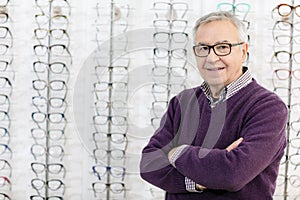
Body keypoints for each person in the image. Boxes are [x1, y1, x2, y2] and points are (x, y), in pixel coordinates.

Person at [140, 11, 287, 200]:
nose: (211, 58)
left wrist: (177, 152)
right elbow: (149, 165)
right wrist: (201, 180)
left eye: (223, 47)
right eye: (203, 48)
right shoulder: (182, 102)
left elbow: (232, 174)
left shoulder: (267, 107)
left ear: (243, 51)